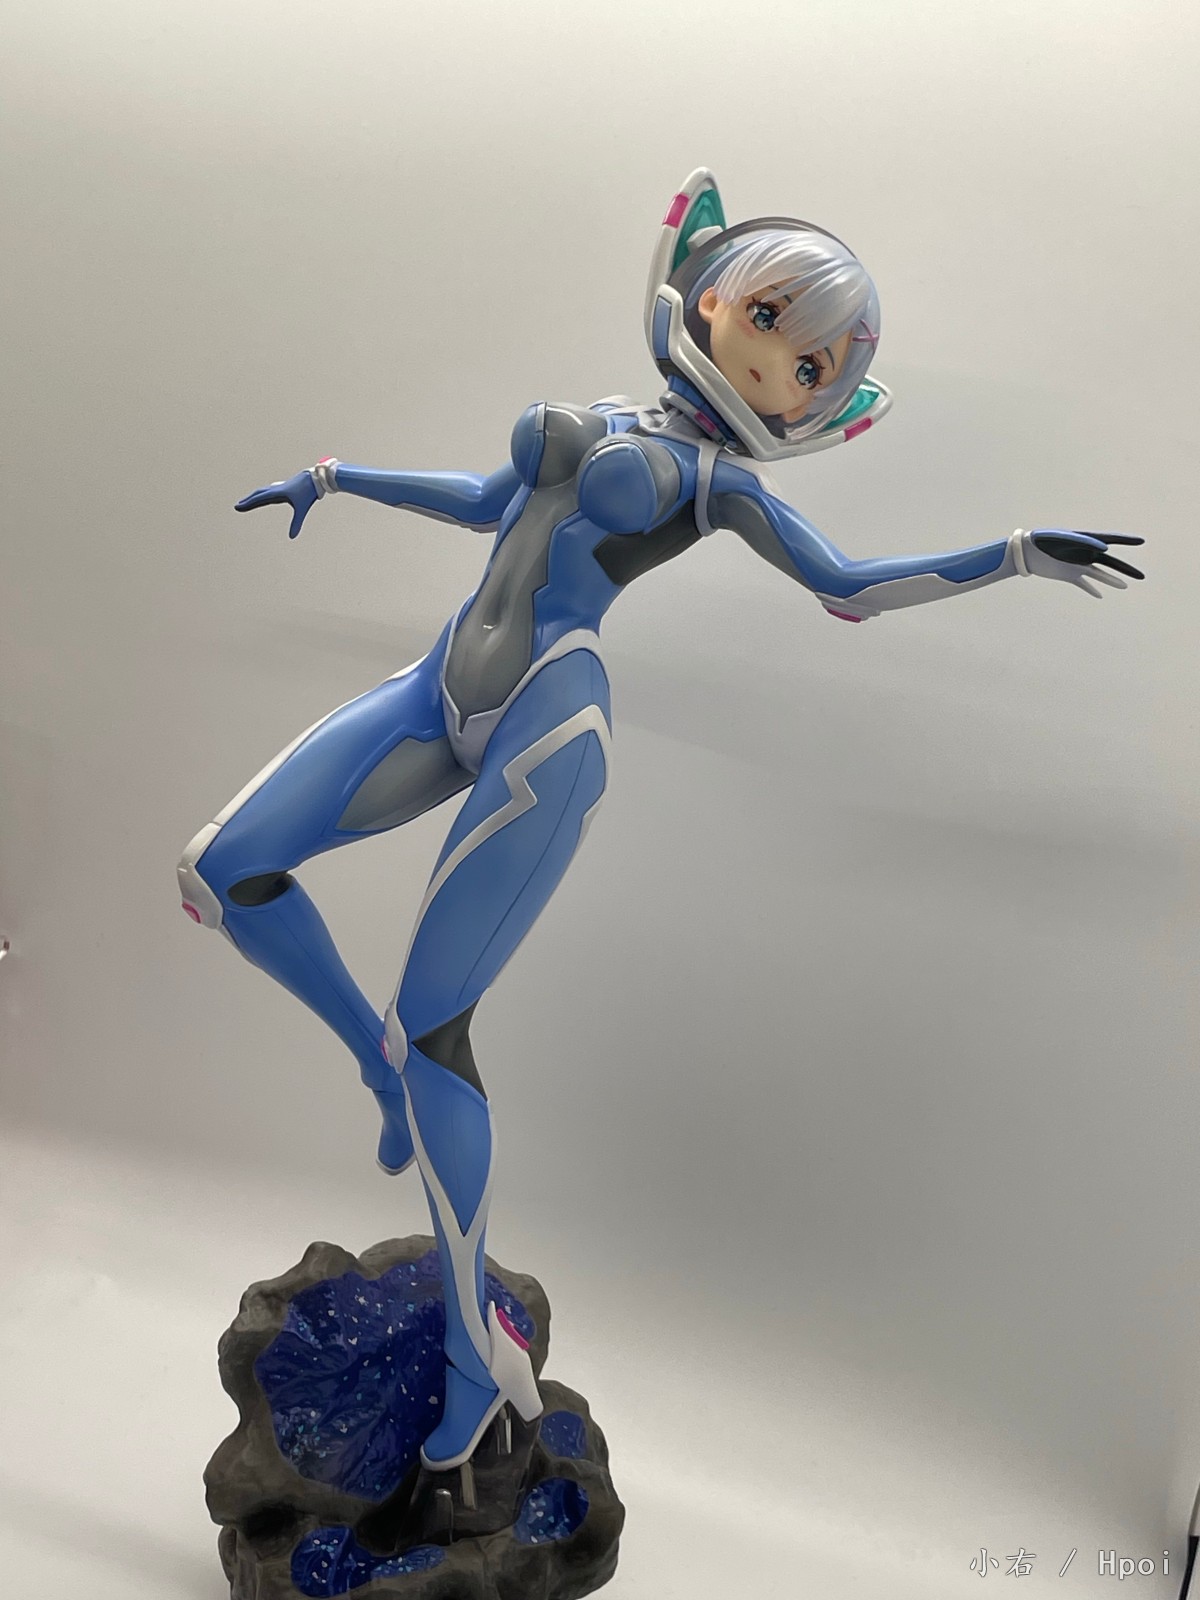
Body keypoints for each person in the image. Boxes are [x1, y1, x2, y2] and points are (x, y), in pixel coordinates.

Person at [178, 166, 1144, 1487]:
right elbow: (491, 502)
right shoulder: (611, 415)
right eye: (770, 318)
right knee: (223, 870)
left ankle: (473, 1351)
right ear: (710, 291)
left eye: (812, 364)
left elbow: (849, 588)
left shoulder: (718, 484)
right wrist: (340, 476)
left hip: (545, 732)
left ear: (823, 403)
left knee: (440, 1029)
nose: (776, 357)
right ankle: (369, 1064)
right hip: (436, 688)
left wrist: (1014, 554)